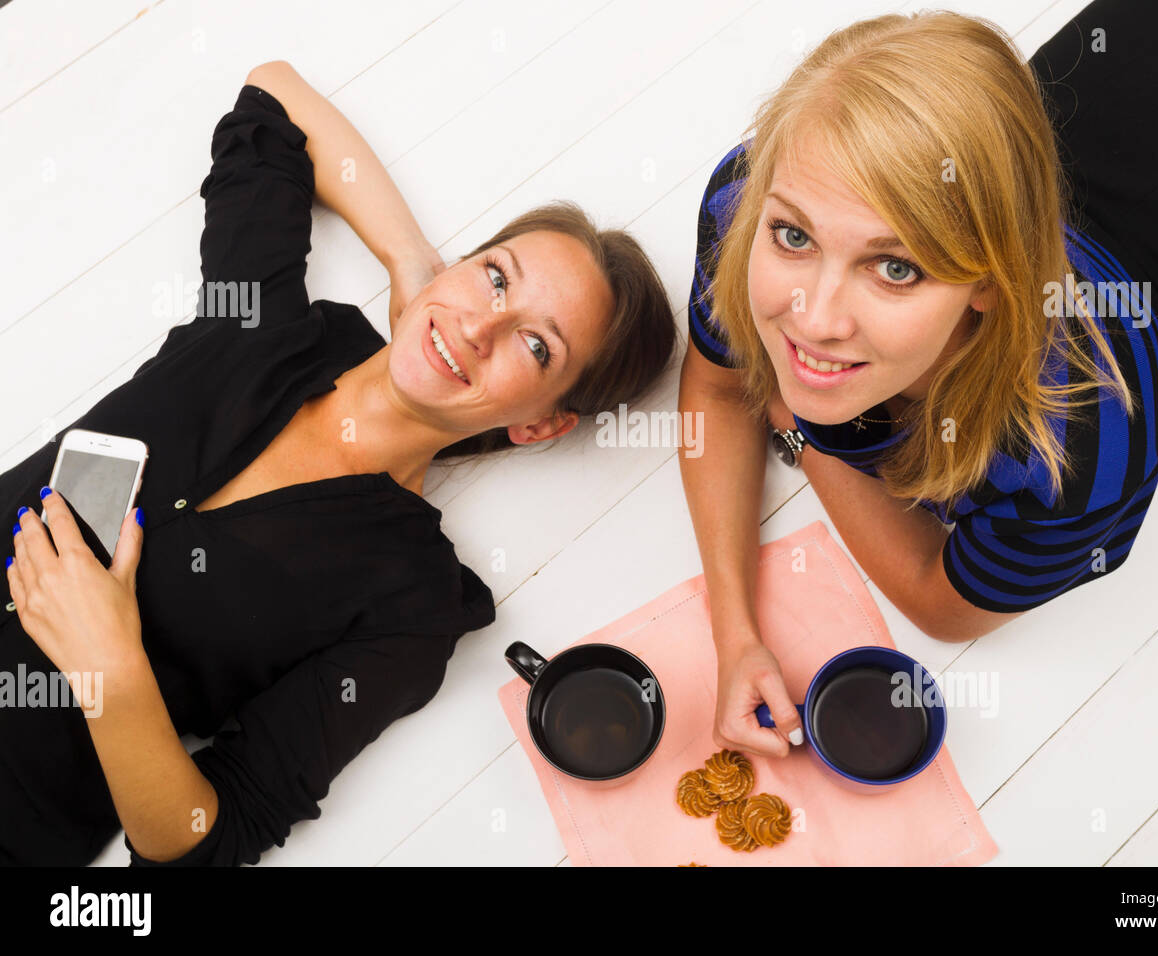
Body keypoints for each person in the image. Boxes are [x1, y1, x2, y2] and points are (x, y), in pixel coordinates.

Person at [1, 62, 676, 865]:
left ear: (540, 425)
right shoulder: (259, 325)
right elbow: (275, 97)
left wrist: (108, 664)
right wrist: (410, 262)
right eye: (495, 277)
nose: (478, 329)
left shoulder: (411, 609)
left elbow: (202, 843)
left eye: (536, 345)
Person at [677, 2, 1158, 758]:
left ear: (989, 283)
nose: (814, 319)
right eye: (795, 236)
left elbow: (943, 605)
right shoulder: (747, 204)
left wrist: (794, 421)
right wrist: (736, 636)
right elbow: (716, 391)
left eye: (896, 267)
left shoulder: (1076, 451)